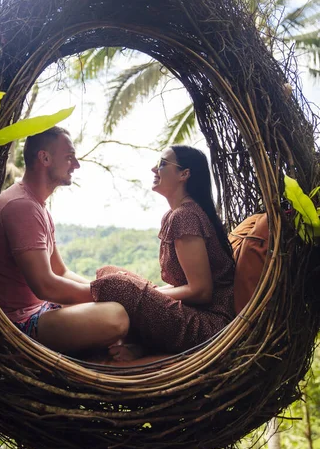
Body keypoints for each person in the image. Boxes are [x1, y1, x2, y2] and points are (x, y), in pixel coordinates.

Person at [0, 126, 129, 354]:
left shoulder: (36, 205)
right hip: (17, 324)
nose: (76, 165)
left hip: (41, 310)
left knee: (115, 299)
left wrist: (99, 290)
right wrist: (104, 295)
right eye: (69, 157)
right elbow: (45, 285)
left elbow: (60, 271)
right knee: (116, 316)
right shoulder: (21, 206)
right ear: (45, 158)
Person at [90, 145, 235, 355]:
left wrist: (148, 293)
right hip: (192, 313)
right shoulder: (175, 214)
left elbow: (201, 292)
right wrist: (147, 293)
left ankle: (59, 314)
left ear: (184, 174)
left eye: (162, 164)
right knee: (108, 272)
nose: (153, 169)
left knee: (115, 285)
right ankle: (142, 344)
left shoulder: (185, 216)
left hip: (210, 326)